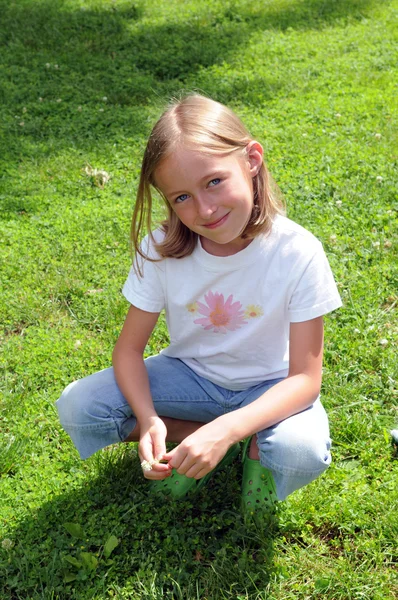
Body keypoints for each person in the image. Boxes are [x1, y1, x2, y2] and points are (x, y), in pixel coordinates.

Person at [56, 94, 342, 513]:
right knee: (79, 407)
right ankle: (200, 440)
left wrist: (230, 426)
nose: (205, 209)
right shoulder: (159, 251)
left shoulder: (297, 252)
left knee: (300, 451)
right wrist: (151, 418)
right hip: (189, 377)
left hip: (270, 386)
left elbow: (304, 380)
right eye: (181, 197)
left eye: (214, 181)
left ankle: (248, 444)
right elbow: (129, 350)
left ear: (252, 159)